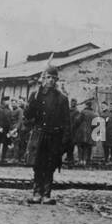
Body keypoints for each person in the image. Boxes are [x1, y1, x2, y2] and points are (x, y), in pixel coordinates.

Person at [24, 65, 71, 204]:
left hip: (54, 137)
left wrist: (65, 141)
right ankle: (36, 193)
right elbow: (28, 115)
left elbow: (66, 121)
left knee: (50, 165)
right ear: (44, 78)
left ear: (56, 80)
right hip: (39, 135)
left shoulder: (61, 98)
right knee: (38, 164)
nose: (50, 80)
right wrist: (33, 99)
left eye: (53, 78)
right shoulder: (36, 95)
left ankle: (46, 194)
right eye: (48, 77)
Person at [73, 99, 97, 167]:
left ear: (86, 105)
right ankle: (85, 161)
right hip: (90, 133)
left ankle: (80, 160)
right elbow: (96, 125)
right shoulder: (94, 114)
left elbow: (77, 121)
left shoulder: (83, 112)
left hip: (81, 133)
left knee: (80, 146)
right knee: (86, 147)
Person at [0, 96, 14, 163]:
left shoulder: (10, 110)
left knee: (5, 144)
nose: (8, 102)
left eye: (8, 101)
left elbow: (11, 121)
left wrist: (10, 129)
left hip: (6, 130)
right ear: (3, 101)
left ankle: (3, 158)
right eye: (6, 101)